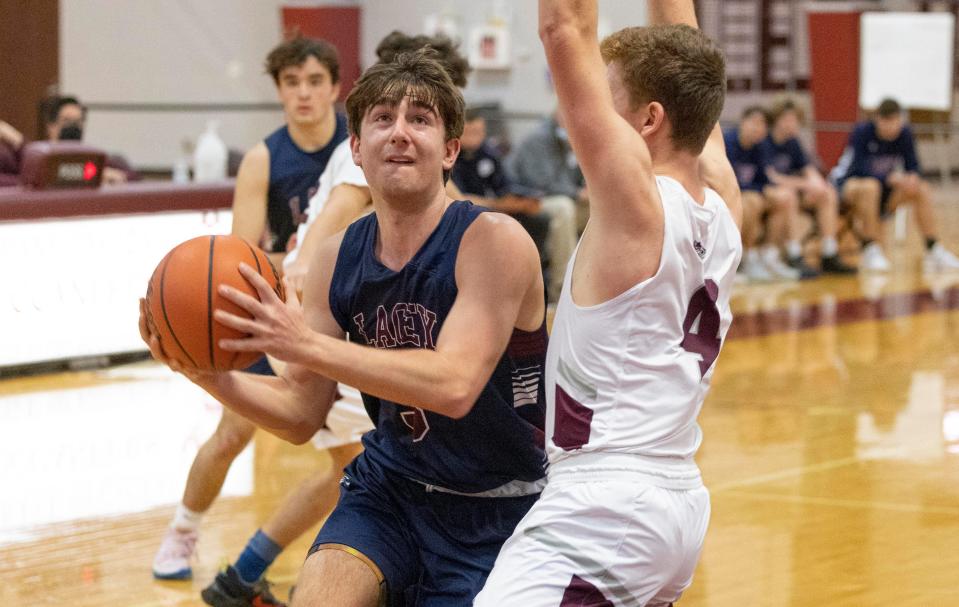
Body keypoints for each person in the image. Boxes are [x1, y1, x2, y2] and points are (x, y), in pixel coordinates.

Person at [141, 49, 548, 605]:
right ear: (355, 148)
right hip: (389, 489)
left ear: (450, 149)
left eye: (420, 120)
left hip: (498, 502)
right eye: (382, 119)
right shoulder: (338, 257)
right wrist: (205, 374)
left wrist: (303, 342)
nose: (399, 133)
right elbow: (301, 414)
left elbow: (454, 385)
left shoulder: (493, 241)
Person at [475, 1, 741, 605]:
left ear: (649, 120)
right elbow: (692, 66)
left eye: (608, 91)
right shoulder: (724, 201)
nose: (594, 105)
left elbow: (562, 25)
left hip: (604, 504)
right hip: (675, 495)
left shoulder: (635, 207)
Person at [151, 36, 346, 585]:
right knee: (233, 435)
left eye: (314, 82)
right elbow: (240, 256)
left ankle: (254, 566)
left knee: (354, 459)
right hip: (278, 313)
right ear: (279, 91)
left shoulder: (356, 149)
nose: (303, 94)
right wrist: (308, 255)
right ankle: (183, 530)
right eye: (292, 83)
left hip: (343, 320)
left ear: (334, 87)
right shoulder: (265, 157)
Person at [831, 97, 959, 272]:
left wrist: (912, 177)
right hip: (849, 186)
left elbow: (913, 165)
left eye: (897, 122)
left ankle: (933, 248)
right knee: (870, 186)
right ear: (878, 119)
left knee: (920, 189)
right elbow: (857, 169)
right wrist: (890, 177)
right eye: (889, 122)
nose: (893, 127)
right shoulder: (862, 132)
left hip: (883, 190)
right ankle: (870, 248)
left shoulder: (904, 133)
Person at [452, 108, 551, 275]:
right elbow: (458, 198)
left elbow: (503, 187)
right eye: (470, 132)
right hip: (467, 211)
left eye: (479, 132)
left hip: (495, 207)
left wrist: (521, 201)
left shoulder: (489, 153)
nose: (476, 137)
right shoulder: (450, 157)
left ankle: (533, 272)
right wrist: (499, 205)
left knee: (539, 219)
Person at [764, 98, 856, 275]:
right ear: (776, 120)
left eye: (796, 120)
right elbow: (772, 177)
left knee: (827, 193)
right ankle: (794, 253)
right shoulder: (765, 142)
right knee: (787, 194)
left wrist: (818, 184)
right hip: (771, 192)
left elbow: (808, 168)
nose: (793, 124)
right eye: (788, 119)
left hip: (795, 192)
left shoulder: (793, 142)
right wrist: (806, 184)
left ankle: (829, 252)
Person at [508, 111, 584, 301]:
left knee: (603, 209)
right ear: (559, 115)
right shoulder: (538, 140)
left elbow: (576, 178)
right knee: (564, 208)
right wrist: (576, 193)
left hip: (562, 197)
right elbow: (541, 182)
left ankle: (594, 282)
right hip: (529, 198)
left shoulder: (572, 140)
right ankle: (562, 290)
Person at [724, 106, 798, 282]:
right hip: (723, 195)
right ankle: (744, 258)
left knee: (783, 198)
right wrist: (763, 190)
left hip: (748, 193)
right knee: (752, 201)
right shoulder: (728, 142)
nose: (758, 128)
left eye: (763, 125)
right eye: (754, 123)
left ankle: (768, 256)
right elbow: (729, 181)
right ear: (743, 122)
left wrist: (770, 191)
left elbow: (764, 179)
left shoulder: (759, 147)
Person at [44, 95, 141, 184]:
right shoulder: (41, 160)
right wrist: (95, 175)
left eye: (78, 122)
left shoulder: (97, 159)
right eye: (67, 121)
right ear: (51, 126)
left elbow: (134, 180)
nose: (73, 127)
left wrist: (115, 177)